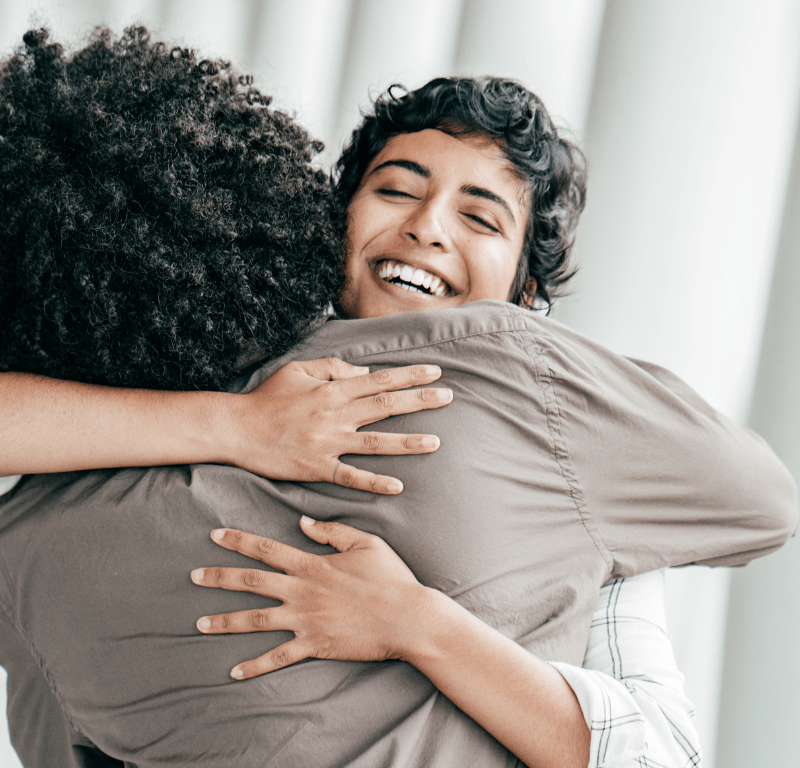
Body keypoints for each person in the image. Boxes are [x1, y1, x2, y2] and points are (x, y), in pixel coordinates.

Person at [0, 27, 795, 768]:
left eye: (480, 217)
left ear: (523, 296)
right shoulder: (196, 356)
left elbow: (758, 514)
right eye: (395, 189)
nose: (428, 228)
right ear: (334, 218)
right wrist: (239, 425)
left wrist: (412, 621)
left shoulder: (546, 411)